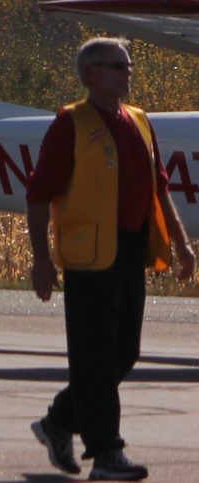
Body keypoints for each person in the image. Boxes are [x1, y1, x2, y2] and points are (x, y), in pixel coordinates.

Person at [25, 37, 195, 482]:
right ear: (92, 74)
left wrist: (182, 244)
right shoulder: (71, 123)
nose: (129, 71)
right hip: (89, 257)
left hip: (130, 251)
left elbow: (160, 188)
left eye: (129, 65)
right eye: (119, 66)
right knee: (94, 357)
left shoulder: (137, 120)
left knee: (124, 353)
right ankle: (106, 455)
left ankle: (60, 421)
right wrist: (41, 260)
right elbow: (40, 195)